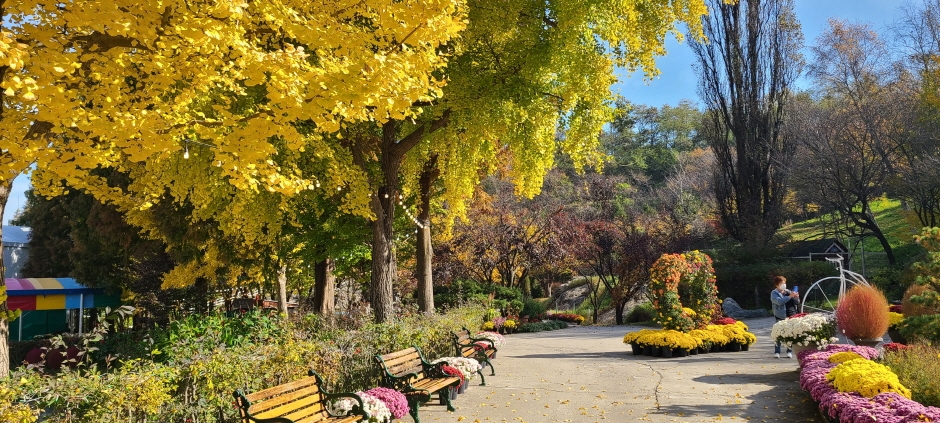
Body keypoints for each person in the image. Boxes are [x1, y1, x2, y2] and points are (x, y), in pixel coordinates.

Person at [770, 275, 800, 358]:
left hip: (791, 315)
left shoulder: (788, 291)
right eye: (781, 283)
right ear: (777, 285)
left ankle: (789, 351)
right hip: (780, 316)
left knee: (789, 334)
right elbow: (779, 302)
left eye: (784, 283)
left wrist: (796, 297)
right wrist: (790, 296)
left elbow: (797, 303)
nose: (784, 285)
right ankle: (777, 352)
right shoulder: (774, 293)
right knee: (778, 334)